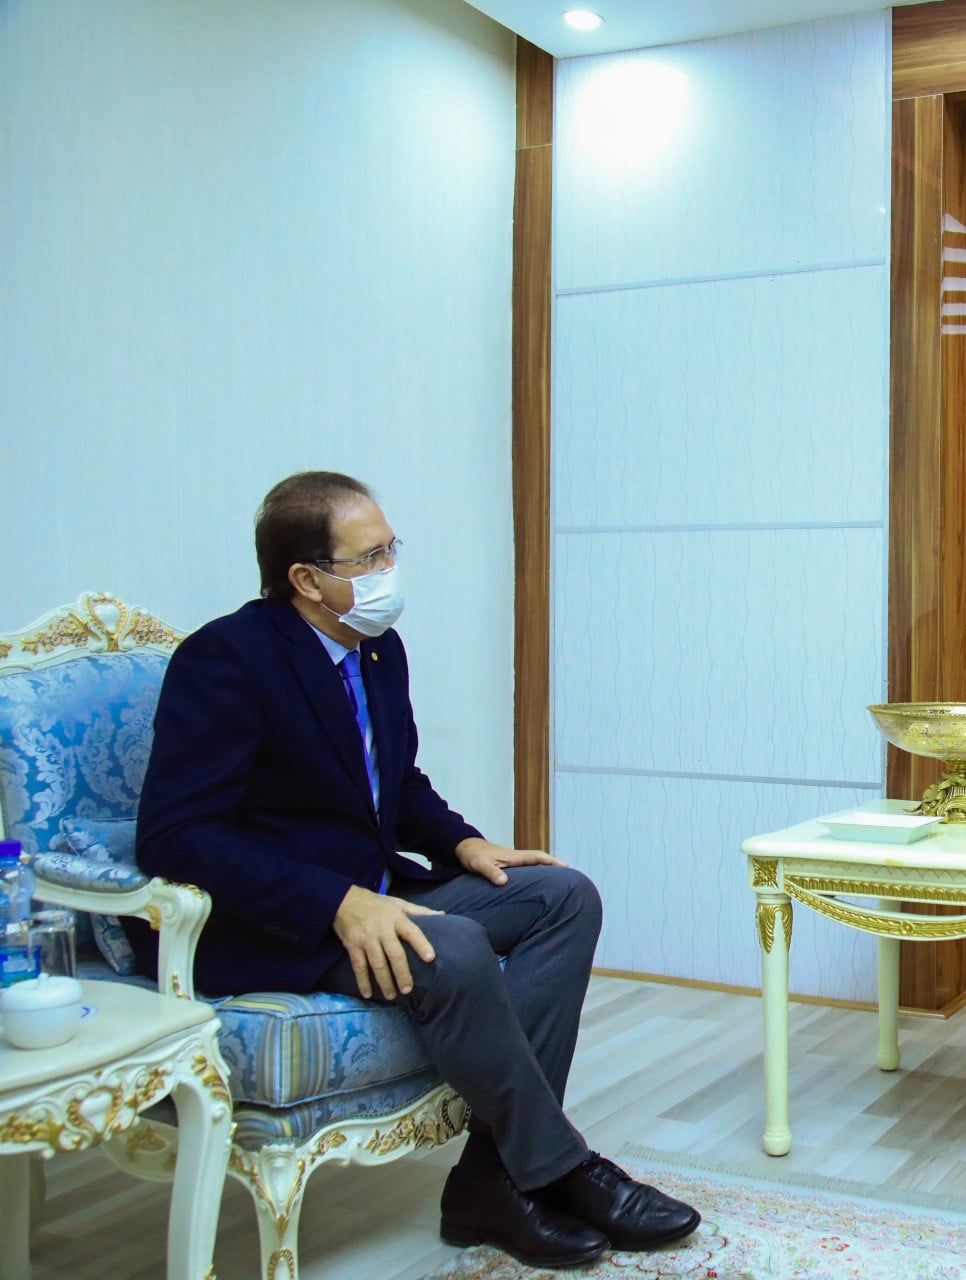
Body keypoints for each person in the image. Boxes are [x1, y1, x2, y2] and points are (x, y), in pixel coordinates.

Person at [136, 471, 699, 1268]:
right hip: (279, 921)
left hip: (375, 884)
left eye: (391, 548)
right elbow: (177, 835)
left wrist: (464, 845)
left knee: (563, 895)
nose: (389, 570)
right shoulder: (226, 658)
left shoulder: (375, 649)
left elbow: (393, 784)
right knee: (455, 943)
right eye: (369, 557)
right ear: (306, 579)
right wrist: (336, 902)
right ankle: (563, 1169)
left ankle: (490, 1180)